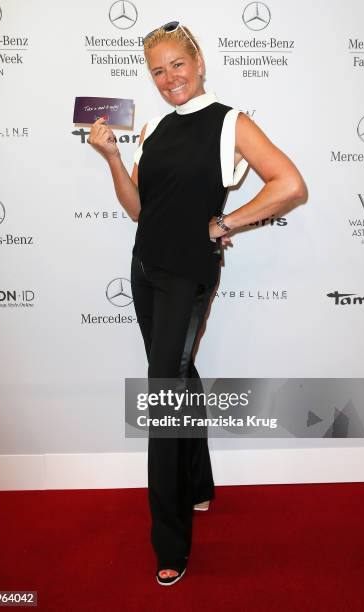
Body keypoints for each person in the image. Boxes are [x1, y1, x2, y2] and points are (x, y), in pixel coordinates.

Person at [87, 22, 308, 586]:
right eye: (157, 71)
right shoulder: (157, 126)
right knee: (179, 376)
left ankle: (171, 540)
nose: (168, 79)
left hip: (188, 274)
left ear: (199, 61)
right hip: (144, 269)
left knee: (163, 389)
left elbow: (289, 184)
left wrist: (224, 224)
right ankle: (201, 485)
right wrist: (112, 157)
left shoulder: (229, 121)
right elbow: (138, 208)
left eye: (176, 66)